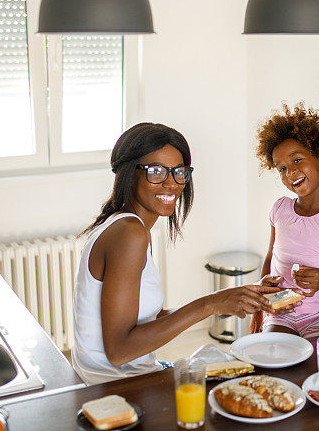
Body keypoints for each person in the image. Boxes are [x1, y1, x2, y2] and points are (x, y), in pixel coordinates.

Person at [72, 122, 281, 385]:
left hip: (118, 378)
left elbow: (148, 320)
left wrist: (224, 302)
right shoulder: (129, 234)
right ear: (128, 173)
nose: (172, 184)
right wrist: (211, 303)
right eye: (156, 171)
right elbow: (119, 351)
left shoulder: (123, 225)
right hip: (116, 387)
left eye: (179, 172)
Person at [250, 103, 319, 338]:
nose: (290, 172)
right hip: (280, 313)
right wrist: (260, 302)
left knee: (316, 365)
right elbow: (271, 257)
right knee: (273, 357)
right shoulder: (280, 209)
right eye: (281, 168)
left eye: (297, 160)